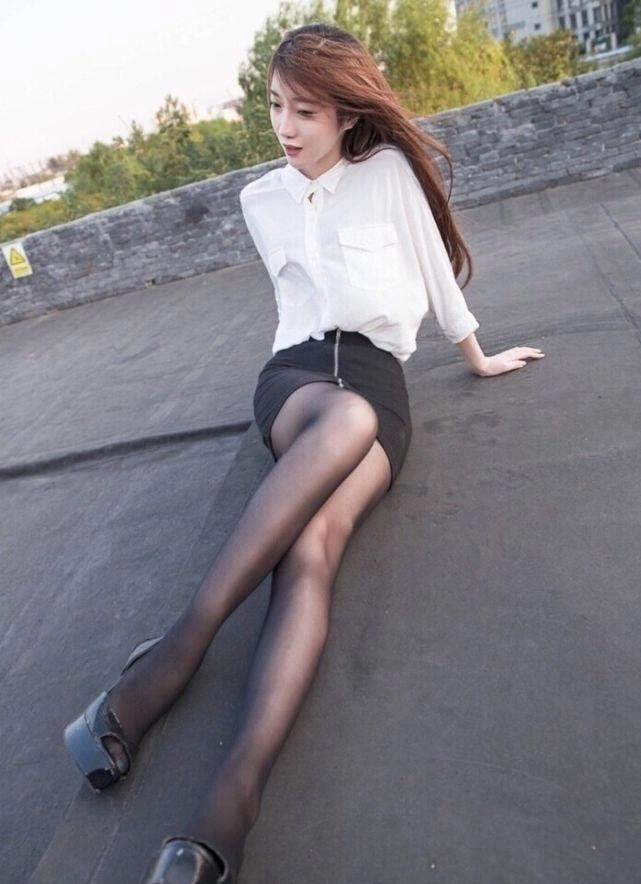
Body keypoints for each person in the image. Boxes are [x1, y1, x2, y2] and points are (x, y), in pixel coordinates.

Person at [64, 22, 544, 884]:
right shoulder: (261, 201)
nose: (285, 127)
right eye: (275, 105)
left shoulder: (387, 173)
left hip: (376, 383)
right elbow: (294, 312)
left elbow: (436, 277)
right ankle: (176, 655)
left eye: (306, 111)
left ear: (346, 114)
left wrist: (477, 357)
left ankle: (228, 804)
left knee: (315, 547)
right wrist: (308, 372)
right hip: (295, 382)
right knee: (339, 419)